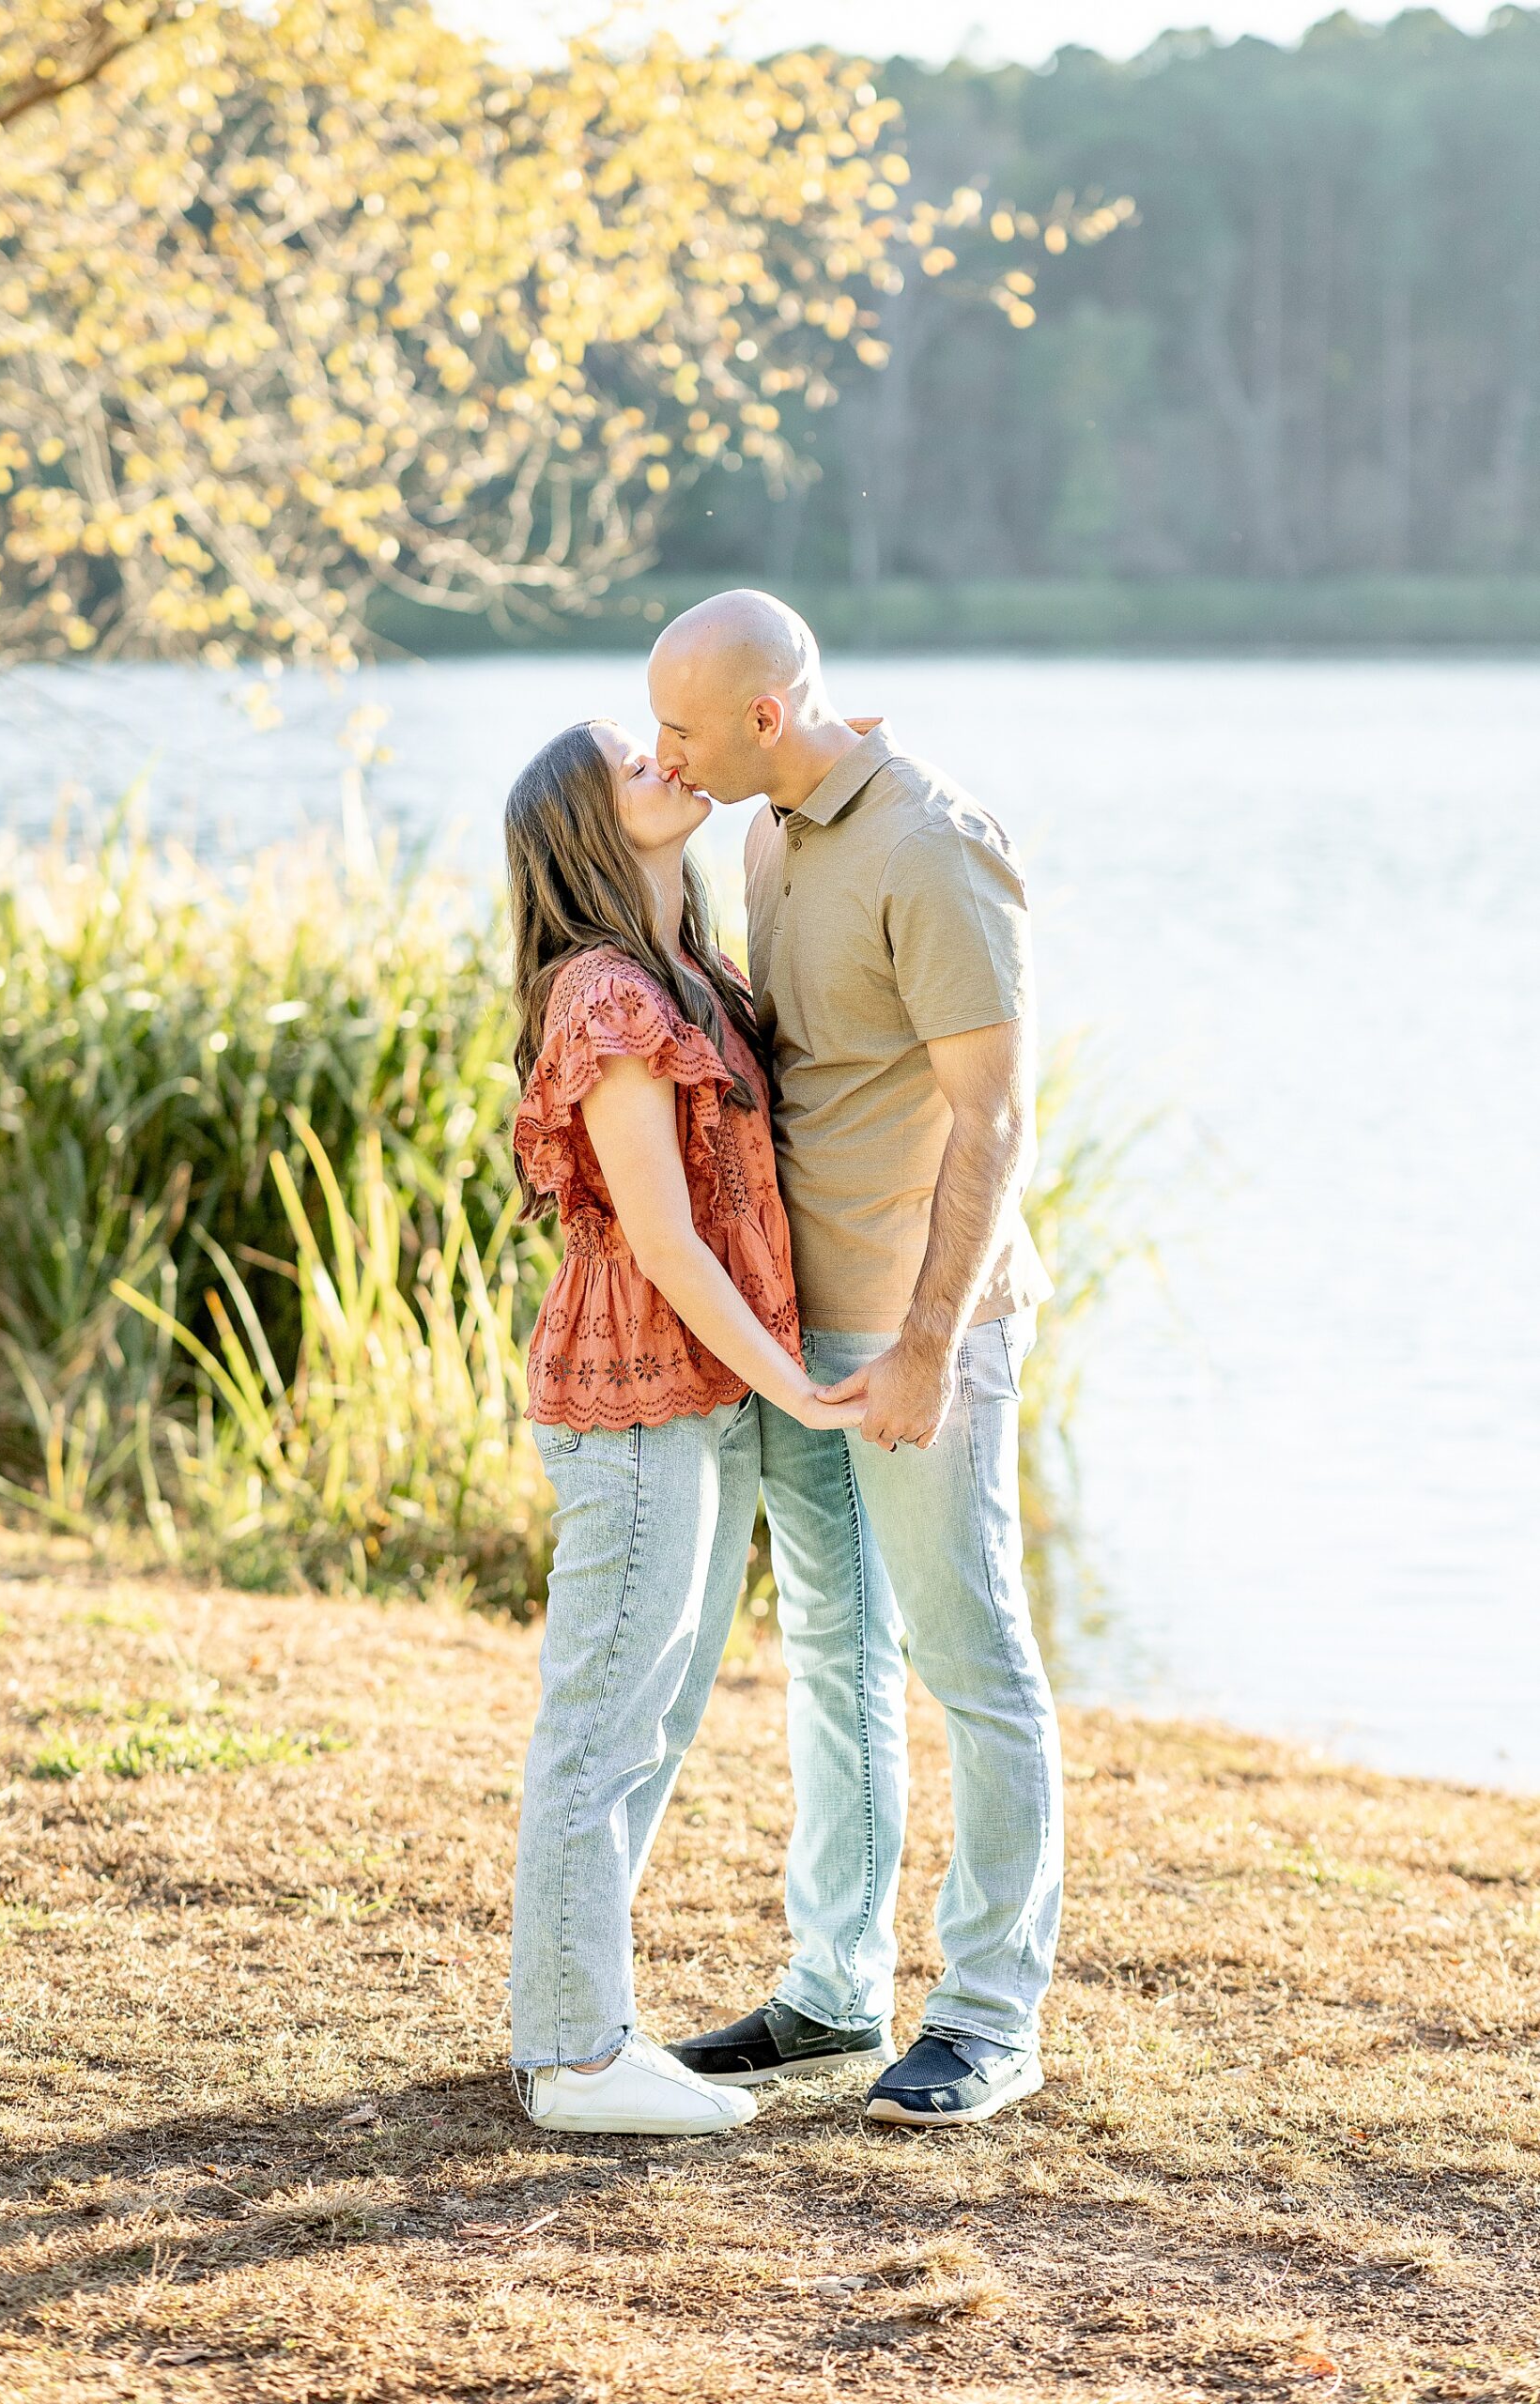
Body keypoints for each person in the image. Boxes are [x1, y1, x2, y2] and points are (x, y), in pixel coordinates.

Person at [649, 591, 1062, 2129]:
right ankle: (834, 1994)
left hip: (915, 1333)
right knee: (833, 1649)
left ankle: (990, 2017)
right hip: (795, 1336)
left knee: (975, 1659)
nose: (662, 753)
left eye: (683, 726)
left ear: (767, 717)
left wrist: (930, 1348)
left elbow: (996, 1120)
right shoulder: (771, 830)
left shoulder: (936, 843)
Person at [502, 717, 864, 2138]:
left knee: (641, 1721)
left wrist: (838, 746)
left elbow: (790, 813)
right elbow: (660, 1234)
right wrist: (792, 1381)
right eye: (629, 765)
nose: (667, 762)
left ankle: (573, 2027)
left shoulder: (682, 970)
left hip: (690, 1397)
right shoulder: (605, 996)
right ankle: (580, 2059)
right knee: (599, 1725)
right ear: (589, 826)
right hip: (637, 1395)